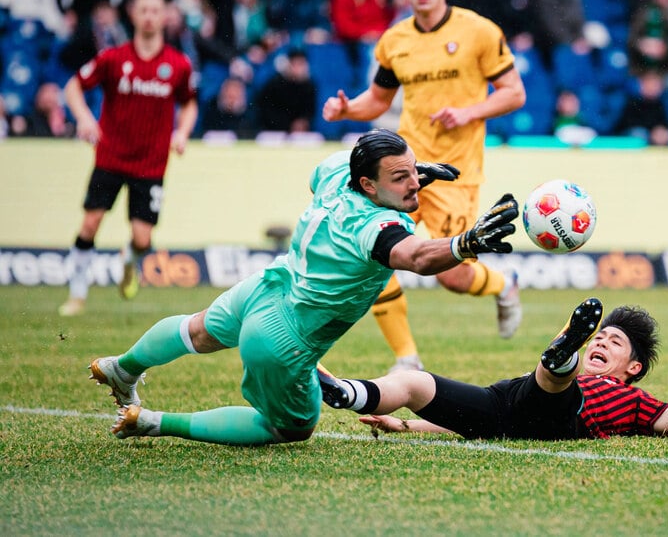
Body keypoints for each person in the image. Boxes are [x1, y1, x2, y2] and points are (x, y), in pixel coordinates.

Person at [92, 128, 520, 446]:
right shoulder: (375, 226)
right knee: (290, 430)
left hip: (265, 286)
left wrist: (412, 172)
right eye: (400, 177)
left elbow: (323, 175)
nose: (414, 183)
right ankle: (152, 421)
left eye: (413, 171)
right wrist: (465, 243)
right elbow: (416, 257)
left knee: (197, 330)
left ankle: (123, 366)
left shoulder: (338, 171)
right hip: (283, 336)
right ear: (369, 185)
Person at [322, 0, 527, 372]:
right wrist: (347, 110)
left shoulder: (479, 31)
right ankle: (407, 359)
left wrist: (468, 112)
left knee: (451, 276)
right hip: (404, 167)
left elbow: (514, 93)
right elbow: (377, 100)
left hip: (456, 172)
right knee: (374, 254)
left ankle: (505, 286)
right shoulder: (395, 41)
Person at [320, 298, 668, 443]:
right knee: (413, 383)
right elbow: (434, 415)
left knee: (555, 386)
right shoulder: (580, 376)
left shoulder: (635, 401)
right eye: (599, 337)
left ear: (632, 369)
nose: (605, 342)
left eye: (614, 342)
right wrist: (402, 422)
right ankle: (346, 392)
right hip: (502, 407)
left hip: (559, 416)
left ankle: (558, 355)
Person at [58, 0, 198, 317]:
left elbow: (189, 102)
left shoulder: (178, 65)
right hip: (110, 157)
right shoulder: (113, 58)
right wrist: (84, 120)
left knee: (142, 237)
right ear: (133, 16)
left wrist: (182, 132)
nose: (149, 16)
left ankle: (129, 261)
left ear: (164, 17)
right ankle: (77, 295)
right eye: (143, 10)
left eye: (155, 10)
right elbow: (73, 86)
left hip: (151, 164)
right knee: (91, 222)